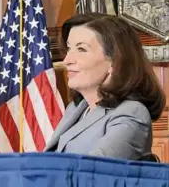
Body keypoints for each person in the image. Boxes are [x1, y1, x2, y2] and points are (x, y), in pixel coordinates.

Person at [44, 13, 165, 160]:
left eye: (81, 49)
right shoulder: (76, 108)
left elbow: (92, 174)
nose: (67, 60)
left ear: (114, 61)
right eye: (69, 49)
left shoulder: (131, 113)